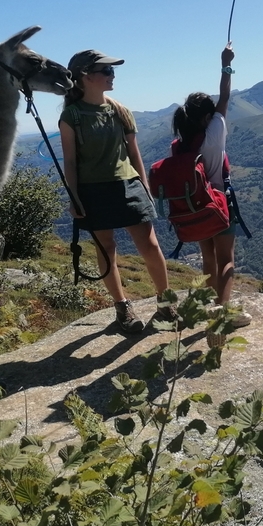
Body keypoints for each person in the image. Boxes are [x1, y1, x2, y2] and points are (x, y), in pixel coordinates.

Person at [59, 49, 174, 334]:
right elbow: (70, 161)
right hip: (92, 190)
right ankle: (122, 307)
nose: (113, 76)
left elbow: (134, 155)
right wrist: (73, 197)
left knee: (149, 246)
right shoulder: (71, 116)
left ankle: (165, 302)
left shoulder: (120, 111)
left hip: (127, 184)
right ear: (86, 76)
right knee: (106, 248)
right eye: (107, 71)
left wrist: (144, 188)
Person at [171, 43, 250, 326]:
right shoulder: (215, 134)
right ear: (207, 117)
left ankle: (208, 307)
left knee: (208, 259)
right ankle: (223, 312)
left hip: (194, 207)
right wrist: (226, 64)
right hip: (218, 204)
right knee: (227, 260)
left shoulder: (180, 144)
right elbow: (225, 98)